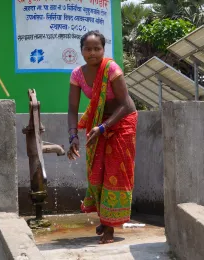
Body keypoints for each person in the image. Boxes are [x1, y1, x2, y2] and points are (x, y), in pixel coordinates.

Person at [67, 30, 138, 244]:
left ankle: (109, 229)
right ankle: (105, 217)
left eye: (97, 48)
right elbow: (72, 109)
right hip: (99, 123)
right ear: (81, 51)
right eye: (88, 49)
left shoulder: (112, 69)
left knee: (115, 172)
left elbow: (126, 105)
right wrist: (73, 136)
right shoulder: (77, 75)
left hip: (122, 121)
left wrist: (103, 127)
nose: (92, 53)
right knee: (96, 170)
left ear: (103, 50)